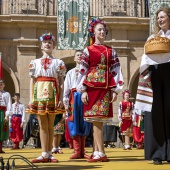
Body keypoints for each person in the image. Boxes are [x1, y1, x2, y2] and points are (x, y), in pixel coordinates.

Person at [76, 18, 124, 162]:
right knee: (95, 119)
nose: (102, 32)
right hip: (91, 87)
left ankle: (100, 152)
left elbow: (116, 70)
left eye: (104, 30)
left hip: (105, 87)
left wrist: (116, 90)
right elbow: (83, 71)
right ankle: (98, 151)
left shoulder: (111, 51)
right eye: (99, 29)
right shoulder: (88, 50)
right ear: (93, 32)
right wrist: (82, 89)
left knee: (99, 120)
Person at [135, 7, 170, 165]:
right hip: (155, 73)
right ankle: (158, 153)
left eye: (162, 17)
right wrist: (144, 72)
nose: (160, 20)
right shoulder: (152, 38)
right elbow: (145, 58)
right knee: (154, 112)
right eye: (158, 18)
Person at [27, 32, 66, 163]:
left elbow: (61, 81)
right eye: (45, 42)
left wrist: (61, 98)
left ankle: (49, 153)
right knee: (43, 124)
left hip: (53, 94)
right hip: (39, 94)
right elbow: (32, 80)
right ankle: (44, 153)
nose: (48, 44)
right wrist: (31, 98)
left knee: (50, 124)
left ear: (53, 46)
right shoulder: (35, 62)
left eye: (50, 42)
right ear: (41, 46)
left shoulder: (58, 62)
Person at [63, 50, 91, 159]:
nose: (79, 57)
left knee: (84, 122)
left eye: (81, 55)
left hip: (84, 97)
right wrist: (66, 102)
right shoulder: (70, 72)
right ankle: (77, 151)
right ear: (74, 58)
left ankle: (83, 151)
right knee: (73, 122)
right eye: (77, 55)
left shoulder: (87, 71)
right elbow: (66, 88)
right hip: (73, 97)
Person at [0, 79, 12, 153]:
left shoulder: (7, 94)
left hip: (2, 113)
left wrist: (7, 116)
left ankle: (0, 148)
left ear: (4, 85)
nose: (0, 85)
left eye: (1, 84)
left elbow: (9, 105)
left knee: (1, 130)